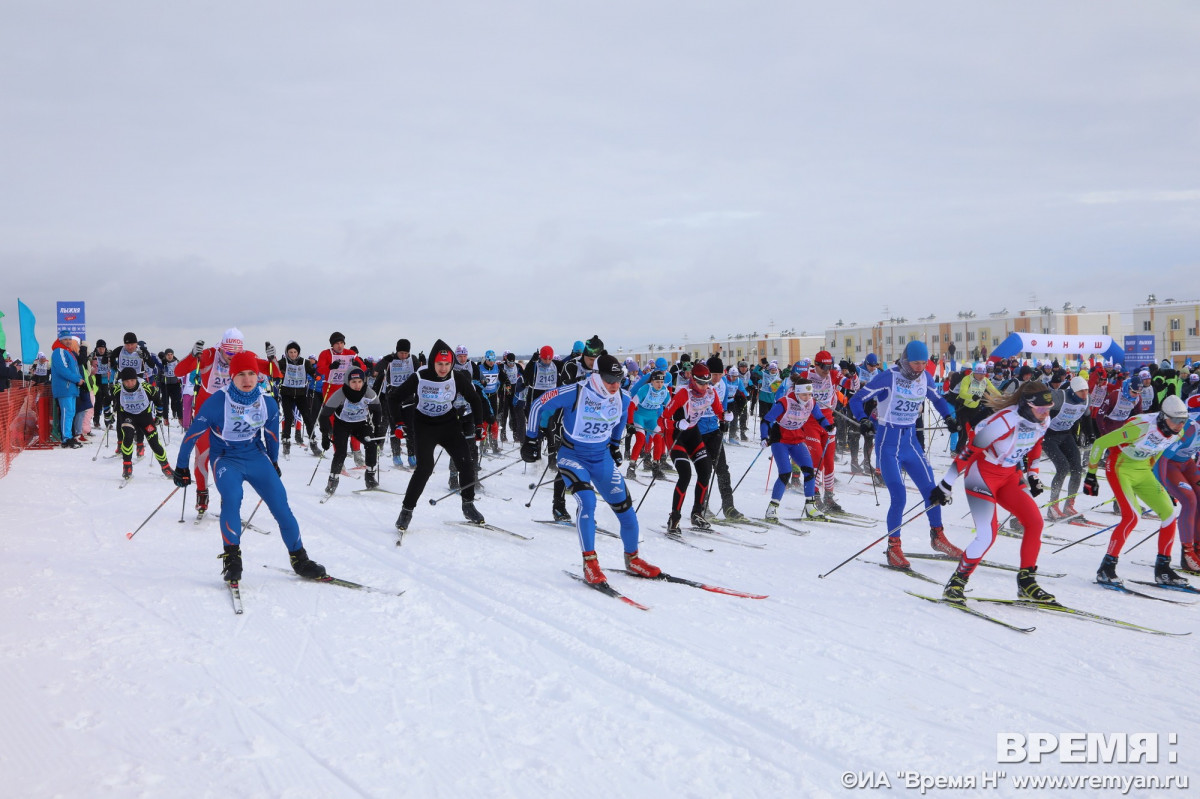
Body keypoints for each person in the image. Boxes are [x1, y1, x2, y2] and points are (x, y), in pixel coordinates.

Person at [173, 350, 326, 584]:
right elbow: (193, 434)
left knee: (281, 505)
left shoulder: (268, 403)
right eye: (241, 374)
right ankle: (232, 560)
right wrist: (182, 467)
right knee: (232, 498)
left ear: (258, 376)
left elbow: (272, 436)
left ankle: (300, 559)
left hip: (255, 456)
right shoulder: (217, 402)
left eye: (252, 374)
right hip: (225, 458)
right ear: (231, 377)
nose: (247, 380)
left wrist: (273, 462)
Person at [521, 354, 659, 584]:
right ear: (595, 376)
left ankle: (633, 558)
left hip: (601, 457)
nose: (615, 384)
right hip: (572, 455)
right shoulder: (576, 391)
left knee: (625, 508)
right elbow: (539, 404)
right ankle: (590, 563)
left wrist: (615, 445)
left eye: (618, 378)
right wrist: (531, 439)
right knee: (588, 501)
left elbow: (623, 417)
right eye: (608, 379)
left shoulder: (622, 398)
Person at [927, 383, 1057, 602]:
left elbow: (1036, 444)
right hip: (982, 475)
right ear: (1027, 405)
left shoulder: (1043, 419)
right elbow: (969, 452)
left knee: (1035, 522)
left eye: (1049, 408)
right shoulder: (1004, 422)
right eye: (1041, 409)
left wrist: (1033, 474)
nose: (1046, 414)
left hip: (1009, 476)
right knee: (988, 535)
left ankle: (1027, 582)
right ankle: (957, 583)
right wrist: (945, 484)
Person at [849, 340, 962, 567]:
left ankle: (938, 536)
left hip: (910, 442)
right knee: (899, 495)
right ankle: (894, 547)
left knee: (933, 491)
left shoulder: (926, 378)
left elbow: (937, 400)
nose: (920, 367)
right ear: (905, 359)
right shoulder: (889, 376)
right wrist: (862, 419)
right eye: (916, 362)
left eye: (924, 363)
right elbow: (856, 399)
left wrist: (949, 417)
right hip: (888, 444)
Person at [1086, 395, 1191, 586]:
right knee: (1132, 516)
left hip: (1142, 471)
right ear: (1163, 416)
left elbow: (1159, 449)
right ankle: (1106, 568)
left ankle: (1163, 569)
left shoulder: (1178, 431)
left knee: (1169, 513)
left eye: (1183, 421)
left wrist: (1158, 482)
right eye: (1175, 420)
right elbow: (1100, 443)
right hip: (1120, 469)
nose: (1179, 425)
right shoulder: (1140, 427)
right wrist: (1091, 475)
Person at [174, 329, 280, 517]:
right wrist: (192, 355)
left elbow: (275, 373)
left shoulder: (245, 357)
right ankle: (202, 493)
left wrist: (273, 360)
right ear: (221, 347)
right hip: (207, 412)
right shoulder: (208, 355)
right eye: (228, 353)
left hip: (232, 417)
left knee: (229, 460)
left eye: (236, 354)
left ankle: (227, 497)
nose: (232, 359)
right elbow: (178, 371)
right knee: (202, 456)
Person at [391, 340, 487, 532]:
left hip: (449, 425)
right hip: (424, 426)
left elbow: (475, 399)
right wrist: (398, 423)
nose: (443, 368)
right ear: (433, 362)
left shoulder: (457, 377)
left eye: (447, 364)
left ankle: (468, 505)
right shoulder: (419, 377)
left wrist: (479, 425)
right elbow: (394, 397)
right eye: (439, 364)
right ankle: (406, 511)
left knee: (466, 463)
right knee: (425, 468)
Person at [660, 362, 726, 533]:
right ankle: (674, 517)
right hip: (676, 435)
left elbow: (719, 411)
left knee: (705, 469)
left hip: (693, 433)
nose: (705, 386)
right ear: (692, 380)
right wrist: (675, 424)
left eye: (707, 382)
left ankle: (697, 513)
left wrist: (725, 417)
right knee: (685, 473)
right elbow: (663, 418)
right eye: (701, 383)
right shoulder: (683, 393)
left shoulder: (710, 393)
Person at [761, 368, 831, 521]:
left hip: (797, 439)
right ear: (797, 392)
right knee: (785, 473)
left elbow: (820, 418)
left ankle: (810, 507)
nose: (807, 397)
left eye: (810, 394)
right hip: (780, 440)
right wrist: (763, 436)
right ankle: (772, 508)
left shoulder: (811, 403)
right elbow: (766, 420)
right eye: (804, 394)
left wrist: (829, 427)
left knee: (809, 470)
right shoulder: (785, 402)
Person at [318, 367, 383, 495]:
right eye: (353, 382)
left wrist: (378, 429)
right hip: (342, 424)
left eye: (360, 381)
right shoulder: (340, 394)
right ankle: (332, 481)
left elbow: (378, 410)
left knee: (371, 445)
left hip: (360, 424)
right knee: (341, 452)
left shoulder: (369, 393)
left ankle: (370, 477)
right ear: (348, 382)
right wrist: (325, 435)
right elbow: (324, 415)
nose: (357, 385)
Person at [1156, 409, 1200, 571]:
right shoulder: (1190, 427)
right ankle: (1187, 554)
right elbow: (1162, 457)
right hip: (1168, 465)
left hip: (1187, 464)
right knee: (1190, 500)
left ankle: (1197, 549)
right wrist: (1163, 486)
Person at [1042, 374, 1090, 521]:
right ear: (1073, 390)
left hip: (1066, 435)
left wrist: (1091, 437)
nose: (1084, 394)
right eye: (1081, 391)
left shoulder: (1086, 399)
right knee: (1063, 467)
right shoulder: (1059, 396)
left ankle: (1069, 505)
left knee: (1077, 469)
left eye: (1086, 391)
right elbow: (1039, 405)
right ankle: (1053, 506)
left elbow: (1087, 418)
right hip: (1049, 437)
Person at [115, 367, 173, 480]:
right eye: (126, 381)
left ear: (136, 379)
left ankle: (166, 467)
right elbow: (106, 399)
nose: (130, 383)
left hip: (144, 417)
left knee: (154, 443)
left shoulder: (146, 387)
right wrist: (107, 416)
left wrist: (159, 416)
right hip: (128, 416)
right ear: (122, 382)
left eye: (132, 380)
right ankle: (127, 466)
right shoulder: (118, 389)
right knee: (128, 437)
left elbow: (159, 402)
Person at [372, 338, 419, 467]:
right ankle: (396, 454)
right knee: (395, 428)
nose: (403, 356)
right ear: (397, 351)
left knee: (410, 428)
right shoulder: (390, 359)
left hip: (409, 398)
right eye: (401, 353)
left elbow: (420, 373)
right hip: (393, 398)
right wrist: (384, 361)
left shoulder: (412, 359)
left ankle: (411, 455)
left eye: (406, 353)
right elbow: (375, 371)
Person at [276, 341, 314, 457]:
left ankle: (313, 440)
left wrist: (315, 374)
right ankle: (286, 440)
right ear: (287, 353)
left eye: (294, 352)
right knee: (288, 417)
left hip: (301, 394)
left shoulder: (304, 362)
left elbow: (311, 370)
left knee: (307, 417)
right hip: (287, 393)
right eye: (290, 352)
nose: (292, 354)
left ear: (298, 352)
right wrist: (279, 373)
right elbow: (275, 368)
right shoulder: (284, 362)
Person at [50, 331, 84, 447]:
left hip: (71, 388)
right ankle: (66, 439)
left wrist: (78, 379)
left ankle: (69, 436)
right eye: (65, 339)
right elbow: (62, 370)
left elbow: (73, 369)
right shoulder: (58, 351)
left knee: (70, 413)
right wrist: (77, 379)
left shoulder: (67, 351)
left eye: (70, 339)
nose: (68, 341)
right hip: (65, 388)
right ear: (60, 340)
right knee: (67, 413)